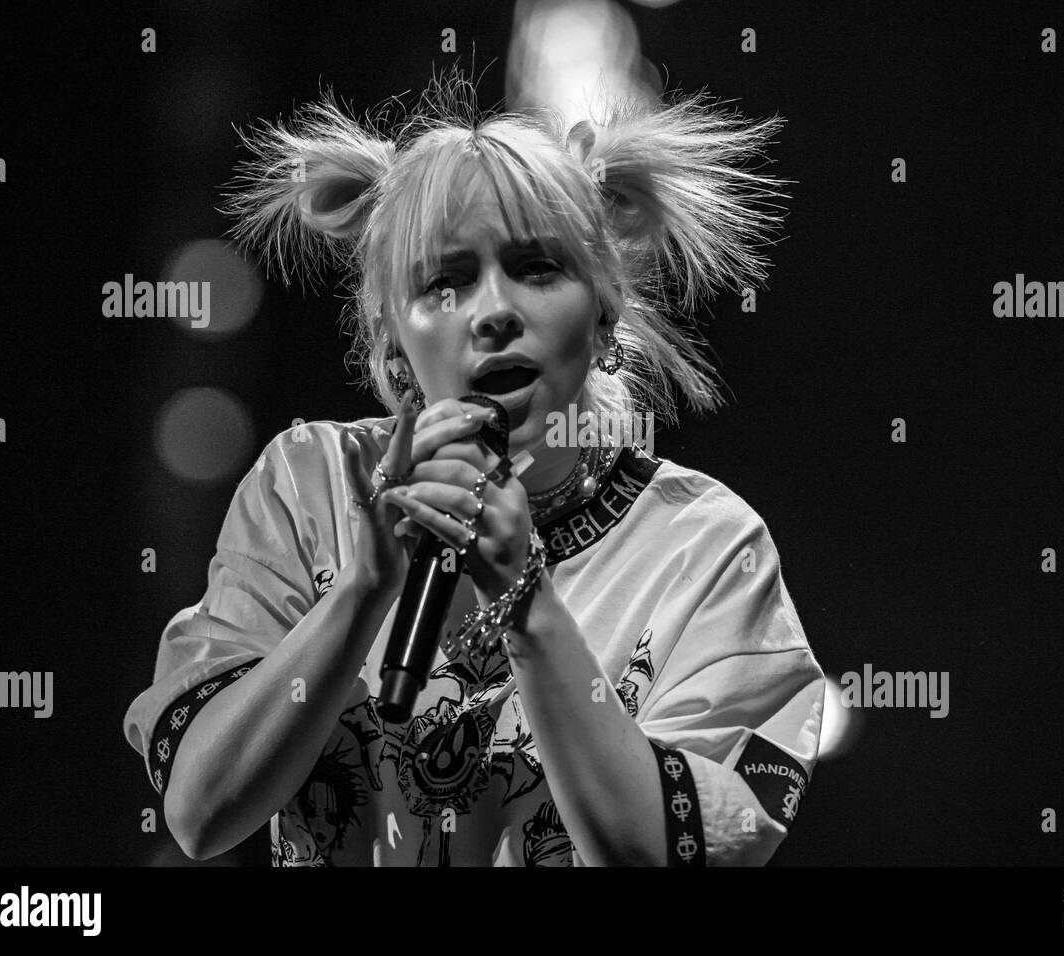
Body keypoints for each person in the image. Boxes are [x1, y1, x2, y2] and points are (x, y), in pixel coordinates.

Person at [122, 70, 825, 866]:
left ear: (603, 316)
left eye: (536, 269)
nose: (493, 312)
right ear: (394, 338)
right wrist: (361, 591)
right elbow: (200, 813)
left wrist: (528, 604)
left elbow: (667, 858)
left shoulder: (705, 550)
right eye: (444, 281)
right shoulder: (308, 483)